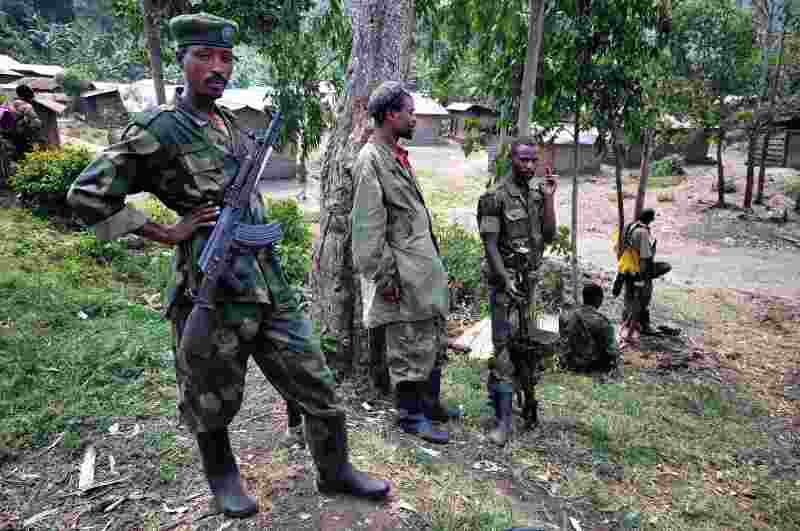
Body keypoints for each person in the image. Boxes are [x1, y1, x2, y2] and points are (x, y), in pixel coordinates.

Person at [67, 13, 390, 519]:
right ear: (182, 61)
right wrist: (164, 231)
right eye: (205, 57)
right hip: (211, 285)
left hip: (265, 279)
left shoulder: (230, 122)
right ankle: (223, 481)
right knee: (208, 394)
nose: (218, 68)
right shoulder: (158, 128)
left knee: (315, 379)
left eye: (225, 59)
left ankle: (336, 471)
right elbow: (85, 196)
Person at [351, 81, 459, 446]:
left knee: (428, 339)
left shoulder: (394, 155)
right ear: (391, 115)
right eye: (410, 113)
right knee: (408, 346)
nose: (415, 119)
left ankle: (430, 405)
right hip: (399, 274)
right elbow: (368, 227)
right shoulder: (371, 160)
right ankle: (411, 416)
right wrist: (385, 276)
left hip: (419, 271)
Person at [476, 137, 557, 446]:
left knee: (532, 345)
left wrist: (549, 198)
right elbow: (490, 245)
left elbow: (548, 235)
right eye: (523, 159)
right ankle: (503, 421)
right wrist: (504, 280)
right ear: (511, 159)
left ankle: (530, 407)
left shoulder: (537, 194)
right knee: (504, 350)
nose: (529, 165)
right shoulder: (493, 197)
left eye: (533, 160)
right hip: (506, 286)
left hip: (532, 284)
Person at [618, 208, 672, 347]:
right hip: (638, 271)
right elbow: (645, 257)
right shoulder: (642, 233)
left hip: (626, 268)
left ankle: (629, 322)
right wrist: (642, 278)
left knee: (629, 296)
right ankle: (640, 325)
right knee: (642, 298)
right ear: (650, 219)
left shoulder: (629, 227)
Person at [559, 283, 623, 378]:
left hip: (569, 363)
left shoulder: (566, 317)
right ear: (599, 299)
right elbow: (612, 351)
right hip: (591, 367)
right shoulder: (602, 322)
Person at [6, 85, 43, 160]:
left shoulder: (9, 105)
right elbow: (36, 124)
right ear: (28, 96)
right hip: (23, 138)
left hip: (9, 138)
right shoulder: (27, 106)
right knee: (27, 157)